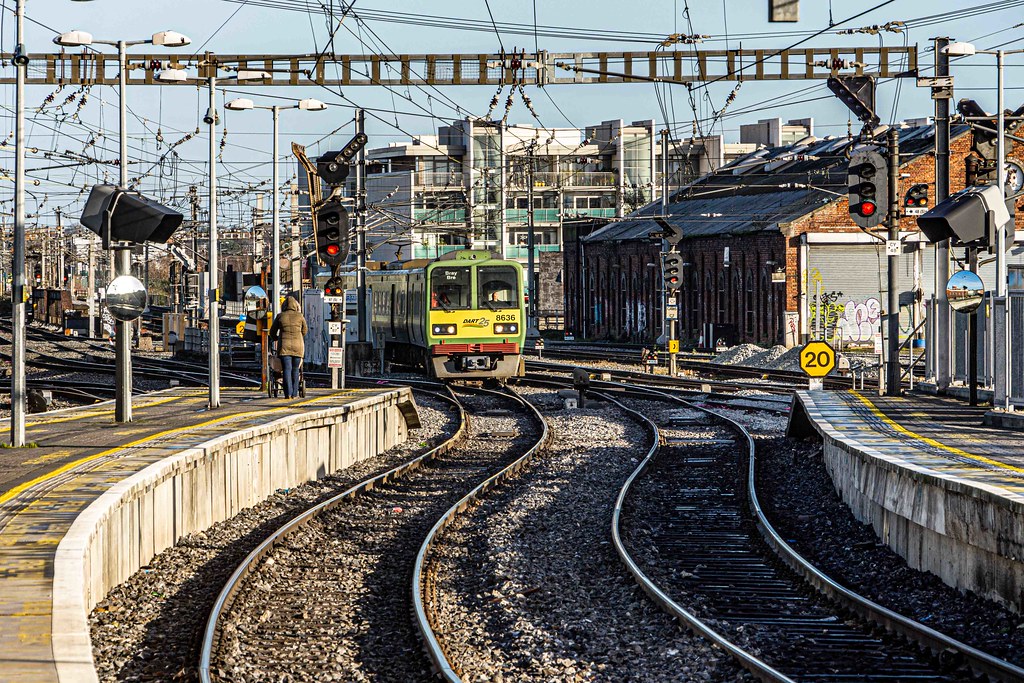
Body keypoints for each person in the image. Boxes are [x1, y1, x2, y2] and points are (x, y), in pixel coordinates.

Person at [269, 295, 308, 399]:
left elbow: (272, 331)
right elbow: (305, 331)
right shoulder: (300, 316)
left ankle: (288, 394)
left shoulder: (280, 316)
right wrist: (298, 336)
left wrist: (276, 338)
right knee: (295, 369)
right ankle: (295, 394)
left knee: (287, 369)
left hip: (284, 347)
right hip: (298, 347)